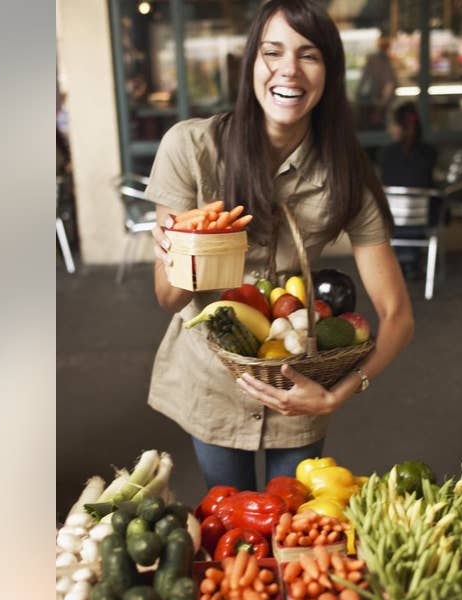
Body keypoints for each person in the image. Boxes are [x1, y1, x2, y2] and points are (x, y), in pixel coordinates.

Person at [145, 0, 415, 492]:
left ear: (329, 73)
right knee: (230, 521)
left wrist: (341, 393)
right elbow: (168, 298)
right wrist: (190, 248)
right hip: (213, 381)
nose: (288, 69)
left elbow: (397, 315)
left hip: (299, 383)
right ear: (251, 64)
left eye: (309, 55)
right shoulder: (191, 148)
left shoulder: (347, 174)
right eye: (272, 52)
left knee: (294, 519)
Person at [377, 102, 440, 279]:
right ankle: (411, 261)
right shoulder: (430, 152)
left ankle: (403, 261)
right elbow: (429, 181)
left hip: (393, 219)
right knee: (434, 203)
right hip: (422, 219)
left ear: (398, 126)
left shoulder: (386, 153)